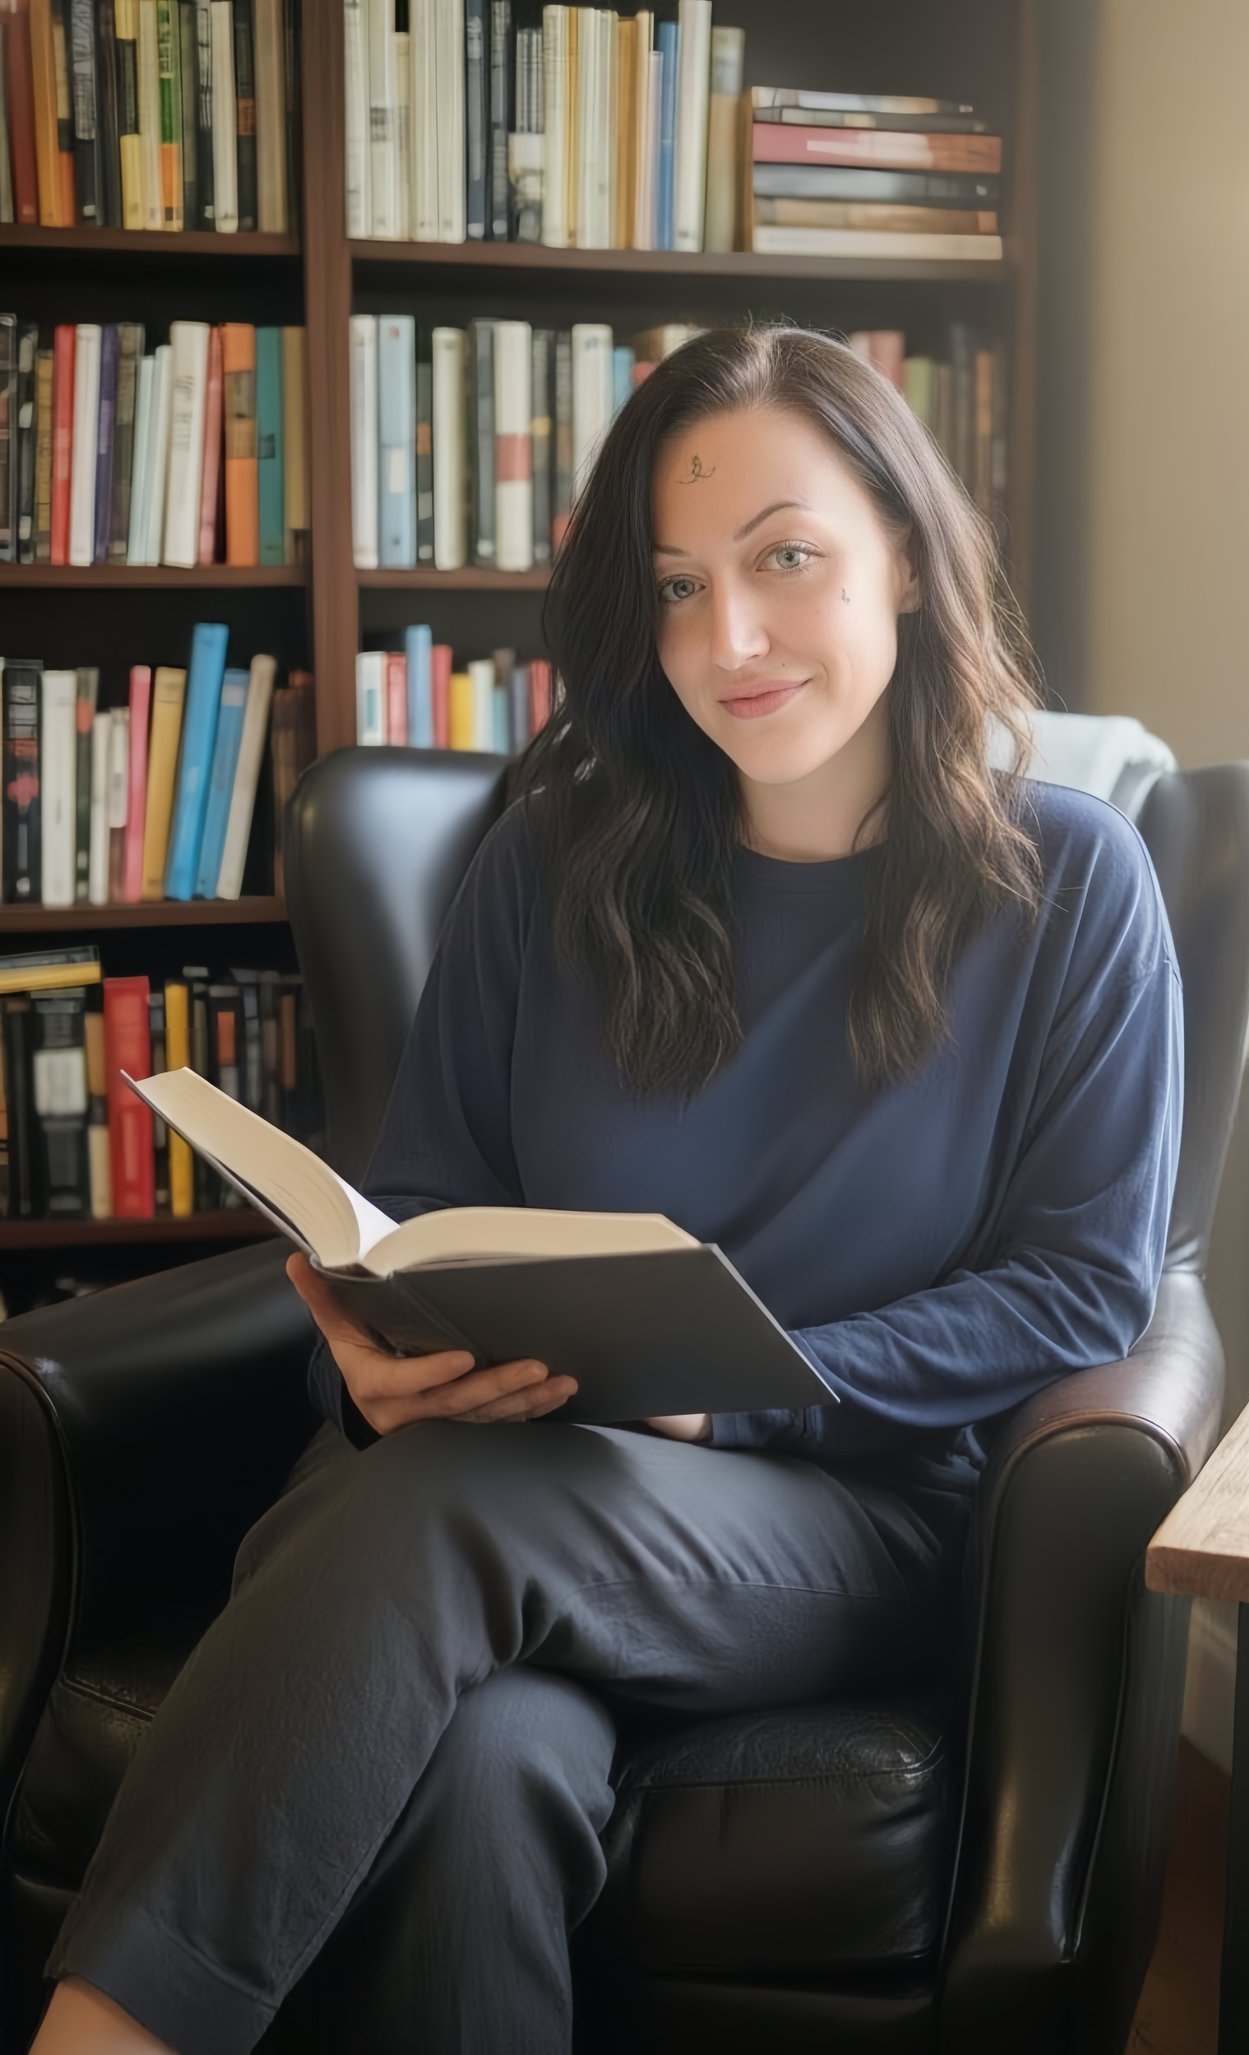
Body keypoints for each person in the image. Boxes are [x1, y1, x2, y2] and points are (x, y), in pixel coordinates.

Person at [30, 322, 1183, 2055]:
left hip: (849, 1514)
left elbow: (1080, 1290)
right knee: (483, 1766)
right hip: (507, 1487)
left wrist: (741, 1409)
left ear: (910, 564)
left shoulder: (1072, 885)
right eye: (673, 584)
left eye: (785, 557)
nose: (726, 639)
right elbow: (419, 1193)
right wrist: (374, 1351)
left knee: (434, 1516)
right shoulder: (556, 858)